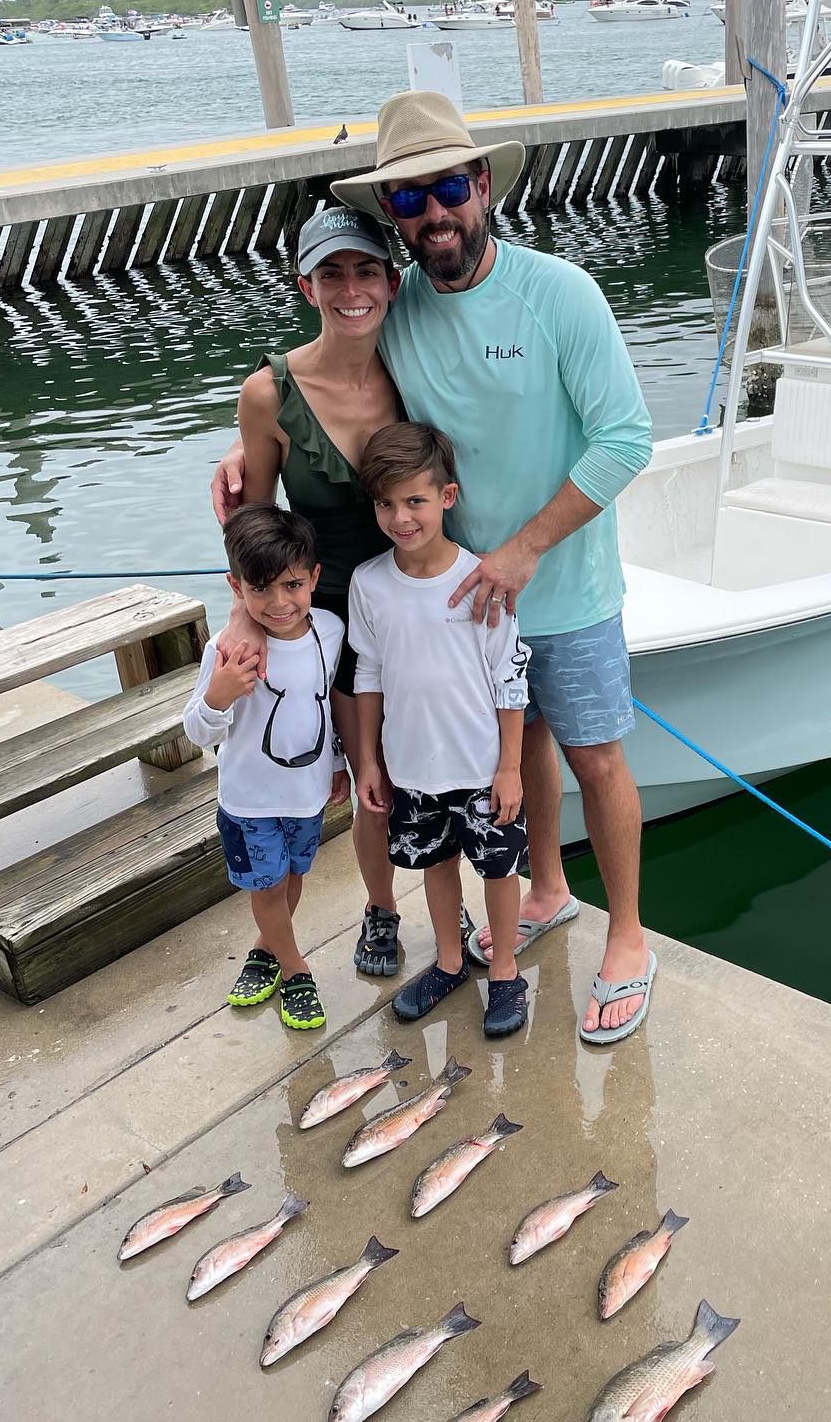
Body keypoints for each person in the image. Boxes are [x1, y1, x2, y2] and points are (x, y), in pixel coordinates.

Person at [330, 92, 656, 1044]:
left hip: (567, 585)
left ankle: (629, 937)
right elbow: (330, 388)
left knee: (596, 754)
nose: (433, 214)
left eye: (445, 187)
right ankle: (547, 889)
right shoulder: (398, 316)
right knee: (530, 752)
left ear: (481, 185)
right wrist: (248, 445)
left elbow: (626, 439)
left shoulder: (561, 293)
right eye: (408, 200)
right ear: (395, 218)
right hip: (467, 604)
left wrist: (524, 549)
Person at [209, 206, 420, 982]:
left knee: (423, 764)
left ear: (394, 283)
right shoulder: (268, 393)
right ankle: (377, 910)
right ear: (306, 286)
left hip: (412, 595)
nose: (351, 289)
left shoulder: (416, 361)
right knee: (359, 774)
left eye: (366, 269)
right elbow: (256, 523)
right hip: (323, 609)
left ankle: (436, 890)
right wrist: (248, 623)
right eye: (332, 273)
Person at [349, 422, 533, 1038]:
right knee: (436, 865)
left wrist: (510, 767)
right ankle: (450, 962)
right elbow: (370, 672)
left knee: (500, 871)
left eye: (415, 501)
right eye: (385, 504)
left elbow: (510, 679)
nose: (401, 517)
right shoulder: (369, 583)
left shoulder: (482, 580)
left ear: (446, 497)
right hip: (411, 767)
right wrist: (371, 762)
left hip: (480, 767)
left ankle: (504, 970)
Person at [183, 505, 349, 1030]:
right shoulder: (226, 649)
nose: (279, 603)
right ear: (237, 587)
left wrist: (340, 763)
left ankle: (265, 949)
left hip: (308, 792)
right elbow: (197, 732)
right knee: (267, 886)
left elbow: (328, 705)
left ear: (314, 579)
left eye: (293, 585)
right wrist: (218, 695)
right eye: (260, 590)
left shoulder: (332, 629)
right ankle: (296, 970)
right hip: (249, 799)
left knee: (294, 876)